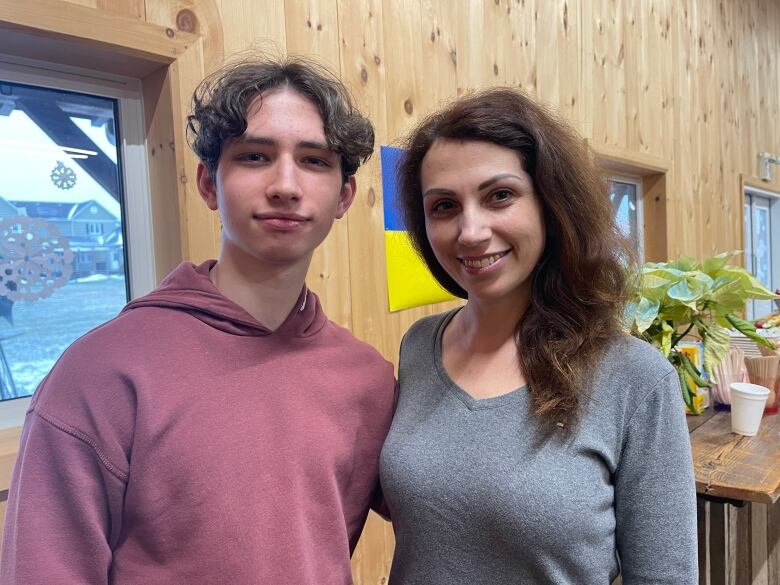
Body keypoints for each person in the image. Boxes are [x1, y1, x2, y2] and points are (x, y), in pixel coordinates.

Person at [1, 56, 396, 584]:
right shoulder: (101, 375)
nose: (285, 184)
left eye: (314, 161)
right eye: (255, 156)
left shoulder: (365, 380)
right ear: (209, 184)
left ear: (344, 195)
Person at [379, 87, 698, 584]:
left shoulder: (634, 377)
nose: (470, 230)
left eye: (499, 196)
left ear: (552, 204)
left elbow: (664, 576)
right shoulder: (418, 347)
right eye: (444, 206)